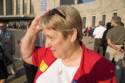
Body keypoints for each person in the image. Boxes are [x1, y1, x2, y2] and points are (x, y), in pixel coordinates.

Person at [21, 6, 116, 83]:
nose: (47, 45)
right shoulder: (50, 53)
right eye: (46, 37)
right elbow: (27, 56)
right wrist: (32, 31)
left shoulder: (100, 68)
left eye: (51, 37)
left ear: (72, 35)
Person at [105, 16, 125, 83]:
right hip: (121, 48)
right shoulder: (124, 29)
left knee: (106, 65)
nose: (111, 22)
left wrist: (116, 48)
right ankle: (117, 81)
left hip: (111, 48)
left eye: (111, 20)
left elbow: (109, 42)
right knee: (119, 67)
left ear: (114, 21)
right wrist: (122, 48)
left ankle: (106, 79)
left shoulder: (110, 30)